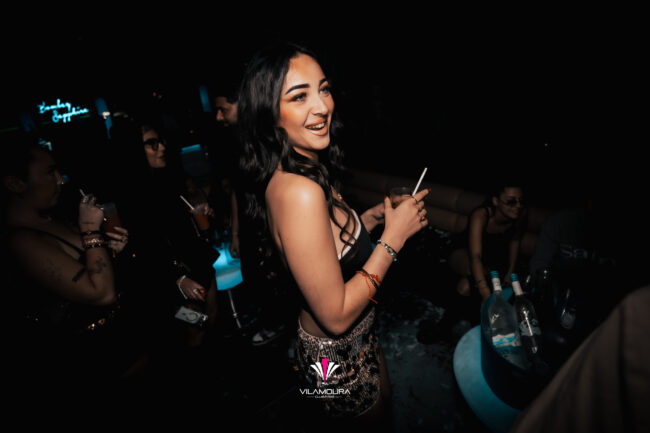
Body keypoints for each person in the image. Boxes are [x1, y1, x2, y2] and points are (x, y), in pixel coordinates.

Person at [236, 41, 429, 428]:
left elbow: (324, 248)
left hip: (359, 336)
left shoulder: (301, 168)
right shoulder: (300, 191)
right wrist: (393, 239)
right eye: (299, 96)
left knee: (385, 404)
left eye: (323, 89)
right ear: (268, 113)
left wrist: (370, 219)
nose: (322, 106)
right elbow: (336, 316)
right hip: (336, 356)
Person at [0, 132, 139, 389]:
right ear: (15, 184)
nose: (61, 180)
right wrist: (90, 229)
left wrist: (112, 250)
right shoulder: (20, 242)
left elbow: (99, 268)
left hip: (127, 345)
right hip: (94, 366)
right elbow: (101, 293)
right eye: (50, 173)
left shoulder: (54, 219)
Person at [106, 116, 219, 374]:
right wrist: (177, 277)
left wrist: (202, 217)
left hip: (197, 265)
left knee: (211, 320)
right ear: (134, 151)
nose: (162, 148)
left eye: (161, 141)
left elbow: (179, 232)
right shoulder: (129, 195)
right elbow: (143, 245)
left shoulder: (166, 181)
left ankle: (212, 375)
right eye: (152, 144)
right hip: (171, 280)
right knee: (195, 328)